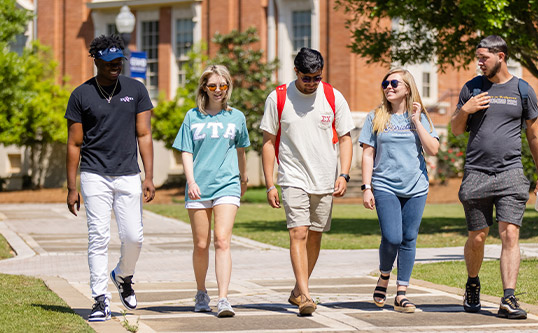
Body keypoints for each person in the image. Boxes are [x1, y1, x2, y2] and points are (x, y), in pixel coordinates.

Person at [451, 35, 538, 319]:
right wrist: (465, 109)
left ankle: (508, 298)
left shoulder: (523, 90)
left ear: (501, 56)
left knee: (510, 233)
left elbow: (534, 135)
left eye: (483, 57)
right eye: (478, 57)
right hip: (476, 173)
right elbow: (457, 130)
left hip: (511, 173)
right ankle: (473, 283)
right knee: (478, 237)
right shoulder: (471, 87)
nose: (479, 62)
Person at [65, 34, 155, 322]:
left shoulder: (136, 90)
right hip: (94, 174)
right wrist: (71, 187)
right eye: (109, 62)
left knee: (134, 237)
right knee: (99, 237)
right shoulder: (81, 95)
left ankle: (123, 275)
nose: (116, 66)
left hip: (129, 173)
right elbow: (74, 144)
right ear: (96, 61)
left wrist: (149, 176)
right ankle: (99, 299)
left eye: (119, 61)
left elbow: (144, 134)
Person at [261, 47, 354, 316]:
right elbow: (268, 142)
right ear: (296, 72)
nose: (312, 83)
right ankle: (305, 296)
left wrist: (343, 173)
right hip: (292, 176)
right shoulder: (278, 97)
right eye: (307, 78)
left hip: (324, 178)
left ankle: (297, 290)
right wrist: (270, 183)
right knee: (298, 232)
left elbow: (346, 137)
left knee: (314, 236)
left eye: (316, 77)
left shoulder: (333, 96)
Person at [359, 68, 439, 312]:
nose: (389, 86)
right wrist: (366, 187)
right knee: (392, 237)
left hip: (416, 186)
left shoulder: (421, 116)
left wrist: (416, 121)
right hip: (385, 185)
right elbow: (368, 153)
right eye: (386, 82)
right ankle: (384, 275)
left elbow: (433, 149)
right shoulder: (376, 116)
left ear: (407, 88)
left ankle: (401, 293)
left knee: (409, 238)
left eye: (395, 82)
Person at [172, 65, 249, 318]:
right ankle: (201, 291)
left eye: (223, 86)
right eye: (213, 86)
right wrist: (191, 181)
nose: (218, 91)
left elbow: (240, 150)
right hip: (199, 186)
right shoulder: (192, 116)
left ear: (228, 87)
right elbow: (186, 150)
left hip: (227, 184)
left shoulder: (236, 117)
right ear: (204, 87)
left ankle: (224, 298)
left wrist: (243, 177)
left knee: (222, 241)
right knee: (201, 244)